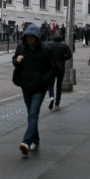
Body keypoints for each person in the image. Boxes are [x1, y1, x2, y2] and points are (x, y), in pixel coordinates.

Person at [11, 24, 55, 155]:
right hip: (26, 85)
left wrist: (44, 80)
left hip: (39, 87)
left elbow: (53, 68)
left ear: (37, 37)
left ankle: (26, 141)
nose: (29, 39)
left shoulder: (45, 50)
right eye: (28, 37)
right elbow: (14, 60)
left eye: (32, 37)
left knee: (33, 113)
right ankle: (35, 139)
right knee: (31, 113)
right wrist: (17, 60)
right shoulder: (21, 48)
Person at [44, 31, 72, 110]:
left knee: (50, 84)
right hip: (60, 68)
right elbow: (69, 55)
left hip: (51, 67)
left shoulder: (49, 44)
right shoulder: (64, 45)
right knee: (59, 85)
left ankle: (51, 97)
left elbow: (45, 55)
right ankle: (57, 103)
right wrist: (63, 59)